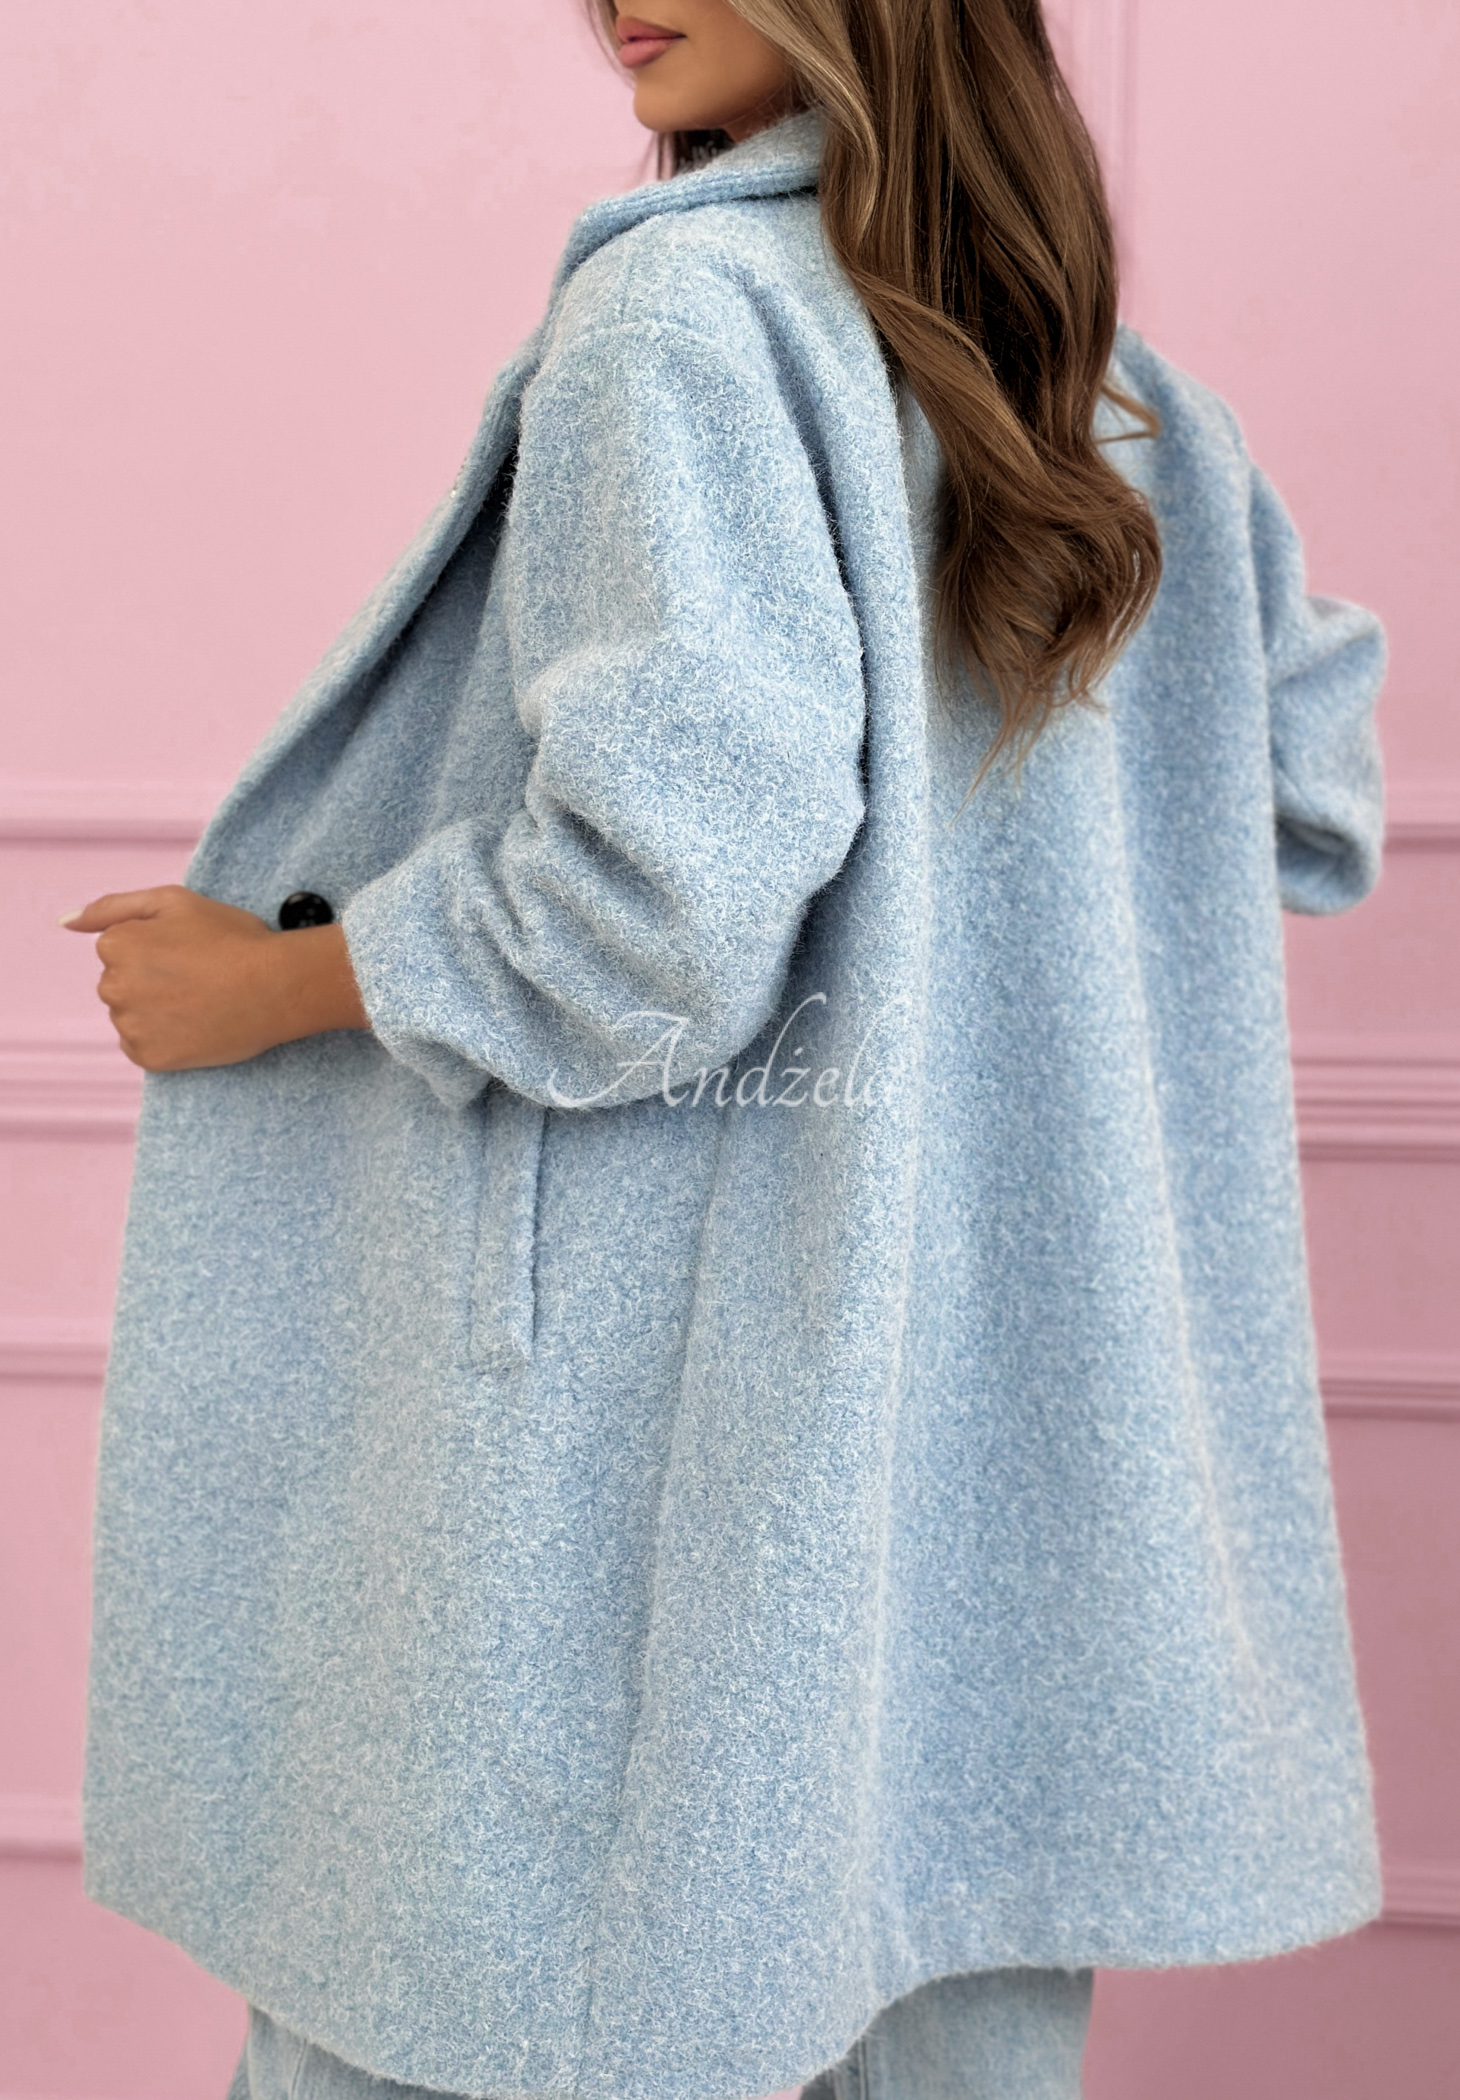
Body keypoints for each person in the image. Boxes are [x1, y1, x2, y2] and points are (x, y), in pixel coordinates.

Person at [68, 4, 1386, 2098]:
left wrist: (284, 980)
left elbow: (656, 921)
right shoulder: (1116, 405)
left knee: (459, 2006)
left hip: (662, 1461)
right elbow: (1310, 790)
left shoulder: (680, 321)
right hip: (984, 1501)